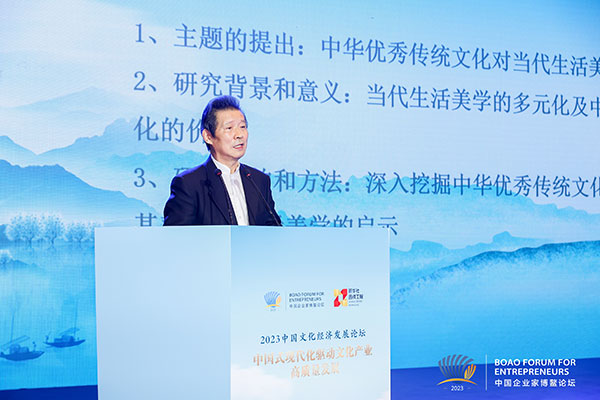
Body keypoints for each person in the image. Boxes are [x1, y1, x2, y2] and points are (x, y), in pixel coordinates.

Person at [163, 95, 280, 226]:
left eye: (242, 127)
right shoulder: (189, 184)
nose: (239, 135)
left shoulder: (259, 181)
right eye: (229, 128)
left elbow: (273, 230)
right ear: (208, 136)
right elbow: (177, 236)